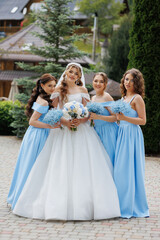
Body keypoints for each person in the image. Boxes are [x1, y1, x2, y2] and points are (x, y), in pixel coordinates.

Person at [13, 63, 120, 221]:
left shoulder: (83, 91)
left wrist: (80, 121)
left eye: (76, 73)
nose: (72, 75)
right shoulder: (57, 90)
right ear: (67, 72)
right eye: (71, 71)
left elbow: (86, 112)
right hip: (62, 131)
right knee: (60, 165)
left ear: (78, 76)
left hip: (82, 131)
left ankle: (88, 206)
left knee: (84, 166)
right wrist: (65, 122)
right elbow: (54, 111)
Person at [7, 74, 59, 210]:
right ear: (42, 85)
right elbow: (32, 121)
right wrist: (50, 126)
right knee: (33, 165)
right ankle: (25, 198)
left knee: (30, 165)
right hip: (38, 135)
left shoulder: (43, 98)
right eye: (50, 86)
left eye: (54, 85)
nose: (53, 88)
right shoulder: (43, 102)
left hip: (36, 133)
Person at [114, 68, 149, 218]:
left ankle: (133, 206)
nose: (128, 82)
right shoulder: (122, 99)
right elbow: (118, 119)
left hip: (132, 136)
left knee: (130, 169)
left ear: (137, 82)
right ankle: (119, 204)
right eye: (126, 79)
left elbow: (143, 121)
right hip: (121, 135)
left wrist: (124, 118)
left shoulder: (137, 98)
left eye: (132, 80)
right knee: (120, 170)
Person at [90, 72, 118, 166]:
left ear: (105, 84)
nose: (98, 84)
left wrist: (99, 117)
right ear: (92, 82)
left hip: (108, 132)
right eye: (96, 81)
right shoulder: (92, 98)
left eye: (101, 81)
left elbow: (115, 117)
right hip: (96, 132)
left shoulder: (107, 97)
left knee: (109, 160)